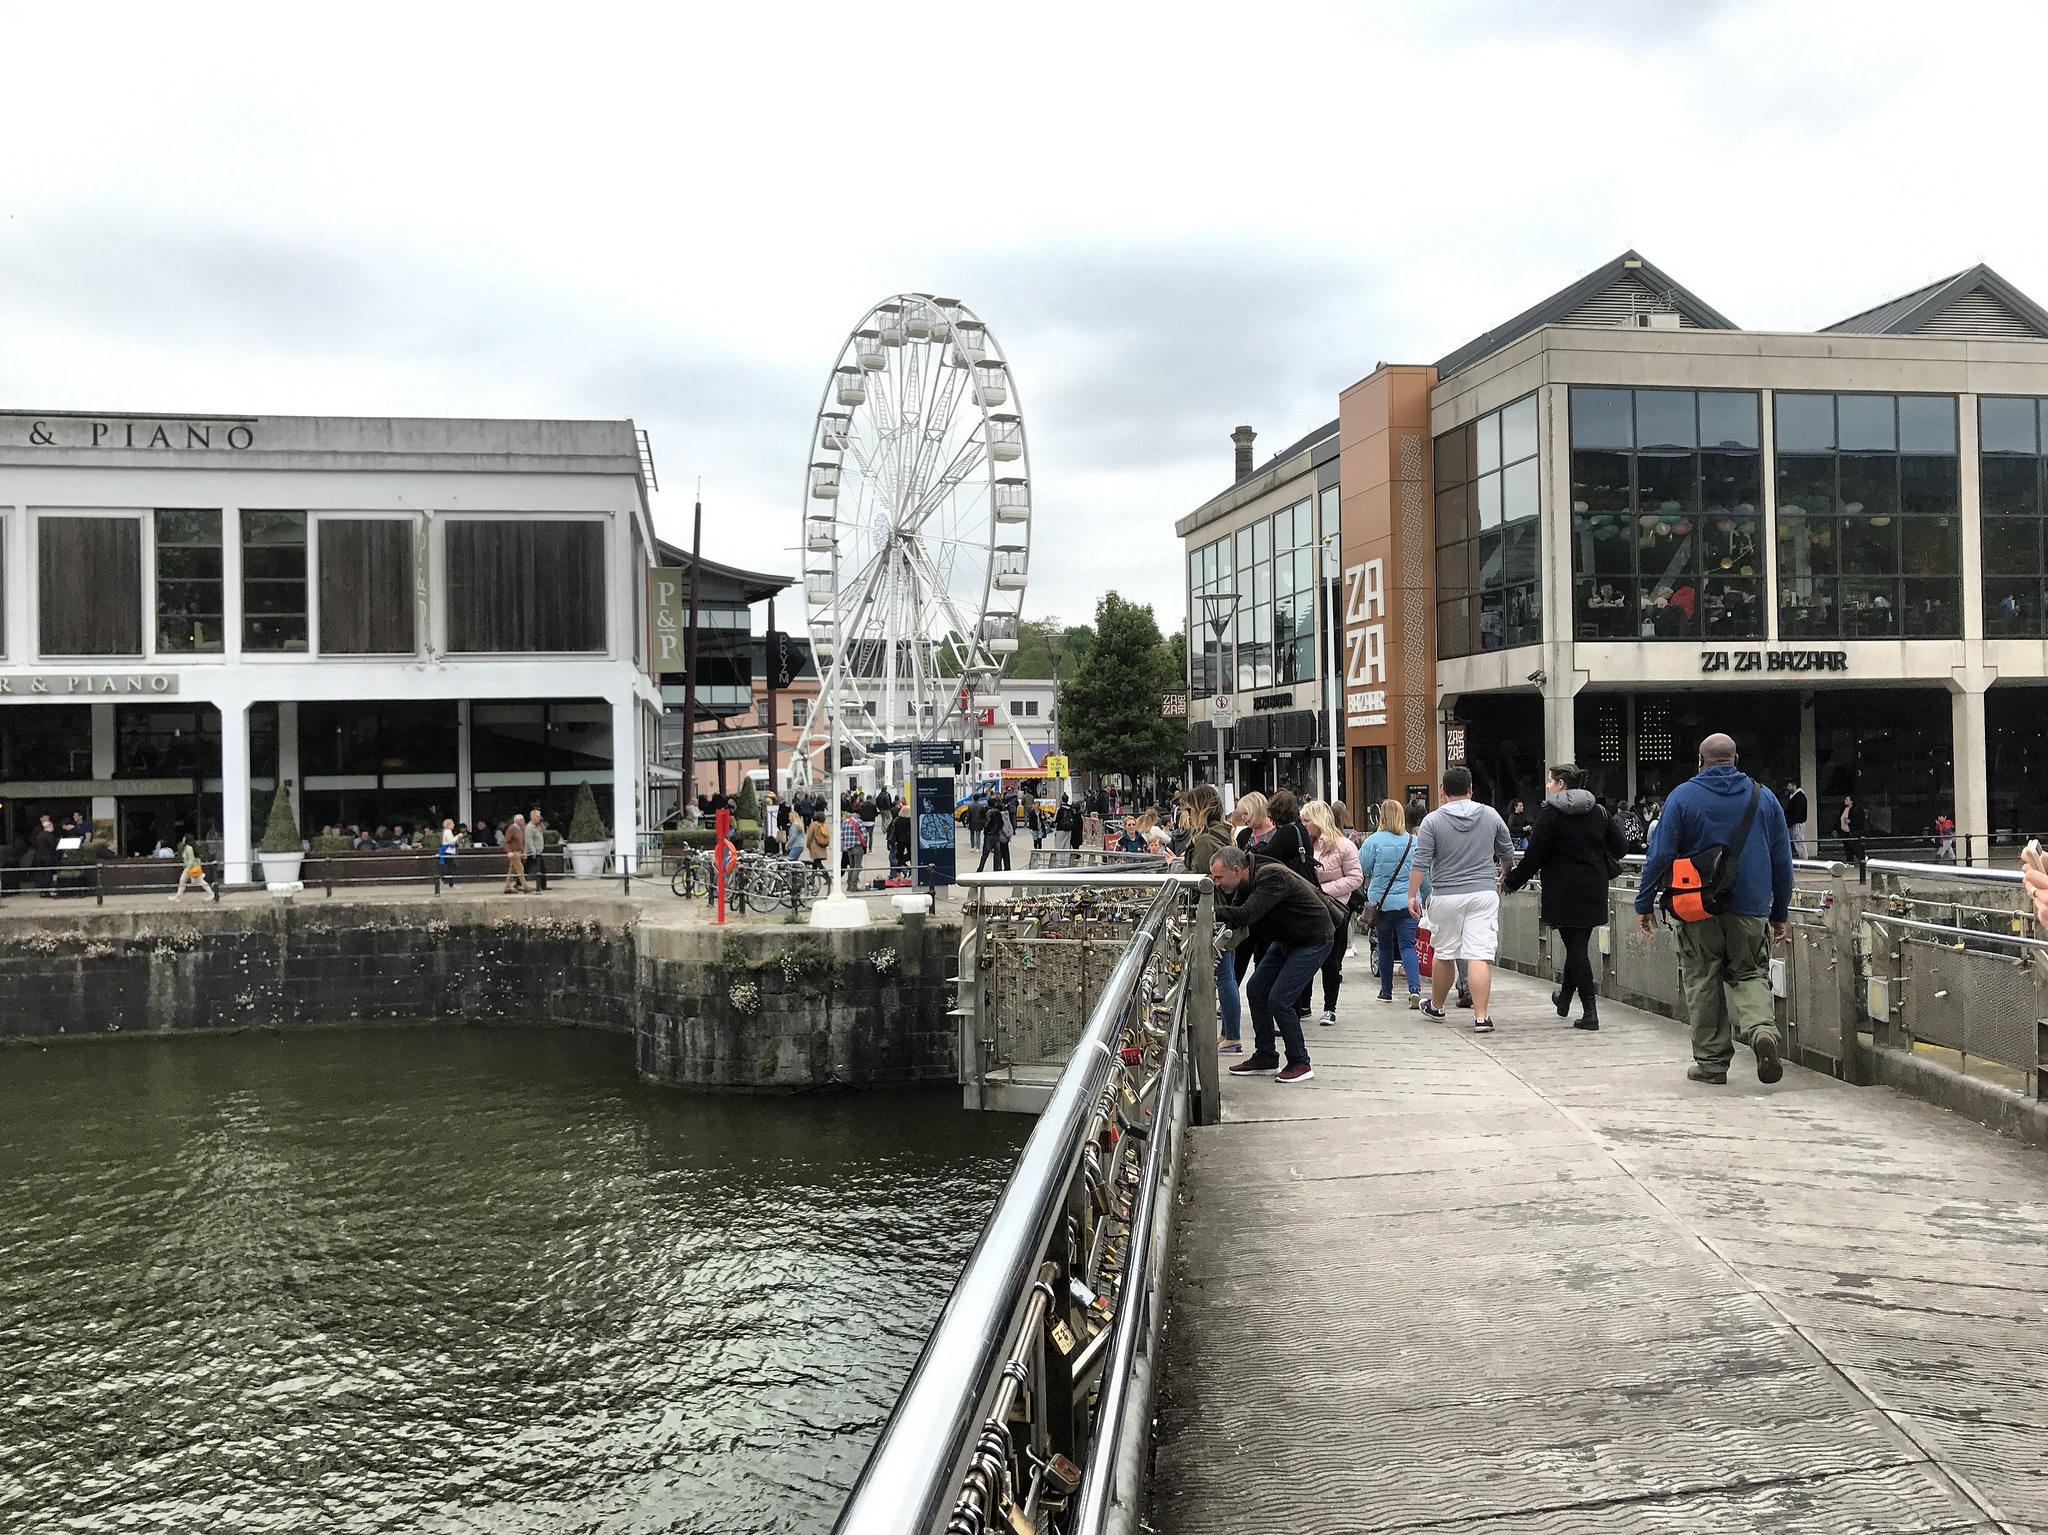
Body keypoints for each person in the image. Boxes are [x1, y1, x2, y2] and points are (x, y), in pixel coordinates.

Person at [1636, 733, 1791, 1086]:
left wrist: (1644, 903)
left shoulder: (1682, 797)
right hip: (1751, 908)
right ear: (1735, 760)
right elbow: (1782, 861)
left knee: (1703, 978)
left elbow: (1659, 855)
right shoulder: (1764, 798)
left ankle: (1711, 1064)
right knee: (1750, 973)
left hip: (1697, 908)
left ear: (1700, 760)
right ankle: (1761, 1032)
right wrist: (1779, 912)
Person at [1503, 763, 1625, 1031]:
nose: (1547, 786)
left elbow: (1534, 856)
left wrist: (1511, 882)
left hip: (1562, 890)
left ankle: (1590, 1012)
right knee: (1577, 944)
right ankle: (1564, 999)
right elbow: (1621, 847)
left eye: (1549, 781)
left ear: (1560, 784)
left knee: (1576, 947)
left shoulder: (1550, 815)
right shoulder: (1599, 811)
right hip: (1594, 887)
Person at [1209, 844, 1330, 1085]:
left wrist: (1209, 911)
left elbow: (1245, 915)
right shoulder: (1247, 880)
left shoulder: (1270, 877)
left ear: (1236, 870)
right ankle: (1266, 1056)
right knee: (1256, 990)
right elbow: (1238, 917)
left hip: (1312, 939)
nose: (1216, 883)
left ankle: (1300, 1062)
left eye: (1218, 877)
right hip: (1287, 940)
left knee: (1280, 1000)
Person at [1407, 767, 1514, 1032]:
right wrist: (1502, 876)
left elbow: (1420, 862)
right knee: (1478, 955)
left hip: (1446, 895)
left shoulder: (1432, 821)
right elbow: (1507, 853)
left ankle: (1437, 1006)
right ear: (1470, 789)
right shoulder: (1490, 815)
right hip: (1483, 893)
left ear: (1442, 792)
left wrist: (1412, 895)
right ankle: (1481, 1017)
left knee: (1444, 953)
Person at [1181, 786, 1241, 1053]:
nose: (1186, 814)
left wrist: (1175, 866)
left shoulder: (1205, 840)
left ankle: (1233, 1037)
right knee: (1226, 974)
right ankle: (1229, 1033)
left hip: (1214, 915)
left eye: (1189, 809)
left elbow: (1200, 878)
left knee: (1224, 976)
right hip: (1226, 913)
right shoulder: (1224, 833)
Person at [1359, 798, 1425, 1008]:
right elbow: (1425, 874)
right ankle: (1414, 989)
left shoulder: (1373, 842)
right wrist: (1422, 896)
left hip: (1382, 904)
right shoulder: (1413, 842)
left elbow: (1361, 868)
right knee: (1408, 947)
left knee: (1385, 947)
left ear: (1382, 816)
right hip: (1409, 903)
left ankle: (1385, 991)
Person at [1303, 798, 1362, 1025]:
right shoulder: (1304, 845)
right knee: (1305, 956)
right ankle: (1303, 1003)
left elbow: (1355, 877)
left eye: (1307, 820)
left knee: (1331, 960)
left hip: (1335, 908)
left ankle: (1330, 1007)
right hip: (1309, 909)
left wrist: (1323, 891)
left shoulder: (1344, 846)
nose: (1304, 824)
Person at [169, 833, 217, 902]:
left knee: (185, 881)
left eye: (184, 838)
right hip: (191, 867)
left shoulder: (188, 848)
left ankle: (211, 893)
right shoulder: (189, 847)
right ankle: (178, 896)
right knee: (185, 881)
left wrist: (188, 868)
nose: (183, 839)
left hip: (190, 868)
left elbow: (191, 859)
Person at [841, 804, 869, 886]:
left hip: (848, 848)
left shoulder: (844, 823)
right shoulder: (859, 822)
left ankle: (849, 885)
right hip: (857, 847)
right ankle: (853, 885)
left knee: (852, 867)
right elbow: (865, 835)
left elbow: (842, 837)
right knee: (858, 866)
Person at [1782, 778, 1810, 860]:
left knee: (1799, 842)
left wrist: (1791, 821)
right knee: (1795, 842)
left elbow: (1797, 812)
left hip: (1796, 823)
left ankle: (1804, 859)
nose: (1788, 788)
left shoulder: (1799, 797)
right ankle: (1801, 858)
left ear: (1794, 785)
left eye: (1789, 786)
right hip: (1792, 823)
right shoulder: (1792, 797)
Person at [1838, 794, 1867, 867]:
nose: (1845, 801)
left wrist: (1850, 821)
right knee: (1847, 846)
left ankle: (1862, 857)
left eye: (1847, 800)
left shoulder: (1856, 809)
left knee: (1854, 845)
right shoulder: (1844, 809)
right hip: (1844, 830)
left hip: (1852, 830)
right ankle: (1849, 861)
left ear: (1851, 801)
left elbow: (1858, 820)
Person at [502, 814, 528, 894]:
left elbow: (521, 842)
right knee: (520, 869)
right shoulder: (512, 828)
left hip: (519, 851)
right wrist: (509, 851)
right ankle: (525, 886)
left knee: (512, 870)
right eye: (522, 820)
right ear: (517, 821)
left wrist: (523, 851)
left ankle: (507, 887)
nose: (523, 822)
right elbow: (506, 841)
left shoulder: (520, 829)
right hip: (514, 852)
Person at [527, 807, 551, 891]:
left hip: (538, 851)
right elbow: (529, 840)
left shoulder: (537, 827)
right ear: (532, 817)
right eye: (538, 816)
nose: (539, 818)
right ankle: (519, 882)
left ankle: (543, 886)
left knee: (541, 869)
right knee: (531, 868)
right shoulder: (530, 827)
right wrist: (533, 851)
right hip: (534, 852)